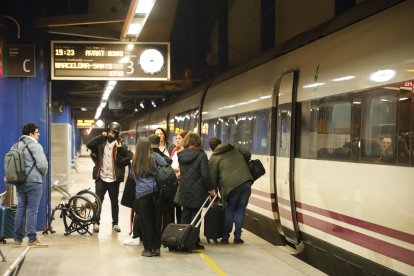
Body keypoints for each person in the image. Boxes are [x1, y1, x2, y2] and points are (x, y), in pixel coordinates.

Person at [86, 122, 133, 233]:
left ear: (117, 134)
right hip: (101, 177)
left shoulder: (121, 144)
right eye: (110, 132)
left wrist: (120, 153)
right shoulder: (101, 142)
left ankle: (115, 224)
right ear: (107, 131)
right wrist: (102, 135)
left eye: (114, 133)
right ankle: (95, 223)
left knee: (114, 202)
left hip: (114, 179)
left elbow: (131, 156)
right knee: (98, 201)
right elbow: (89, 144)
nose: (111, 134)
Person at [208, 137, 254, 244]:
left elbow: (212, 178)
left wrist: (212, 193)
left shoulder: (214, 157)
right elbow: (248, 154)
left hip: (231, 186)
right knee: (240, 210)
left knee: (230, 209)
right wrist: (237, 146)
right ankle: (237, 237)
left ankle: (225, 237)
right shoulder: (233, 148)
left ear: (211, 148)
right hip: (246, 181)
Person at [177, 132, 216, 250]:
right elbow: (205, 175)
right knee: (196, 216)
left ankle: (181, 240)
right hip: (198, 191)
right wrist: (210, 188)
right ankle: (193, 242)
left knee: (185, 214)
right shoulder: (201, 155)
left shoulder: (181, 154)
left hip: (184, 189)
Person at [13, 123, 48, 247]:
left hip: (19, 181)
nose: (39, 134)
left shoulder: (16, 145)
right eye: (37, 132)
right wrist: (42, 174)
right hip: (34, 181)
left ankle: (17, 239)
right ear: (31, 134)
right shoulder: (35, 146)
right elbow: (43, 165)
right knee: (32, 210)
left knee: (21, 208)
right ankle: (32, 239)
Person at [132, 137, 167, 257]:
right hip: (156, 191)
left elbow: (133, 177)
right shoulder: (155, 156)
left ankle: (148, 249)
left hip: (142, 194)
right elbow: (166, 167)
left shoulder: (135, 159)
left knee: (145, 221)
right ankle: (157, 248)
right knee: (157, 220)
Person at [149, 134, 174, 232]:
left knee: (151, 212)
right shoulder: (166, 158)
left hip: (150, 189)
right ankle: (164, 233)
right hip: (164, 189)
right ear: (159, 143)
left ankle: (151, 233)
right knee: (164, 212)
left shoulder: (146, 157)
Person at [169, 130, 188, 223]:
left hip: (182, 181)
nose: (177, 140)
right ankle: (177, 224)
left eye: (180, 138)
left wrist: (178, 170)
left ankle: (182, 225)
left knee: (183, 205)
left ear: (186, 139)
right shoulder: (175, 150)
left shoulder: (188, 151)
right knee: (176, 204)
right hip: (174, 181)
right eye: (176, 138)